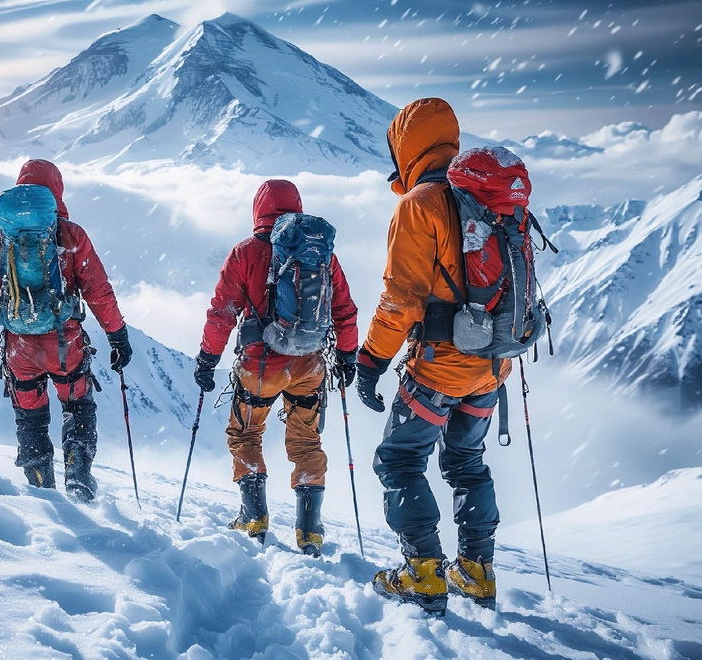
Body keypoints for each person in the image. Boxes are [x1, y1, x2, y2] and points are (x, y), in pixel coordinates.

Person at [356, 98, 516, 614]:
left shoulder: (418, 205)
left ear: (406, 147)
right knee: (467, 461)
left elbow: (400, 299)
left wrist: (371, 361)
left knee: (400, 459)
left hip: (439, 367)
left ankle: (423, 572)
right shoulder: (486, 198)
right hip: (492, 365)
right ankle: (476, 570)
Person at [194, 179, 358, 556]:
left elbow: (222, 312)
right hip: (310, 365)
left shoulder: (246, 252)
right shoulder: (320, 253)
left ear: (258, 210)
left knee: (246, 434)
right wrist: (348, 356)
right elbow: (344, 308)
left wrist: (208, 358)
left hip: (259, 365)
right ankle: (310, 530)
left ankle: (253, 517)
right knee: (306, 442)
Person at [0, 159, 131, 502]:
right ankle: (78, 471)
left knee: (30, 416)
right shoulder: (70, 235)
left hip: (18, 347)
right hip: (63, 342)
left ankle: (40, 481)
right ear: (56, 192)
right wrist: (117, 335)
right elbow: (98, 290)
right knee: (78, 405)